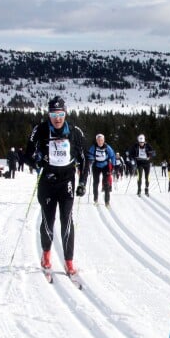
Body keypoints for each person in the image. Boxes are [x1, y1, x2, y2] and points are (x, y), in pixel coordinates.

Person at [24, 95, 89, 275]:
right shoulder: (41, 130)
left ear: (65, 114)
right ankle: (46, 254)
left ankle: (69, 261)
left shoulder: (75, 132)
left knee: (66, 220)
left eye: (60, 114)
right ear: (49, 116)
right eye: (53, 115)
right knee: (48, 220)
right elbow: (27, 154)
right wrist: (37, 162)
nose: (57, 119)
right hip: (47, 182)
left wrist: (82, 182)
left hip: (67, 181)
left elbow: (85, 160)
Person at [87, 133, 116, 207]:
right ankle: (95, 199)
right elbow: (89, 154)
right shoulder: (93, 147)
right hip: (96, 165)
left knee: (106, 183)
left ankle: (107, 201)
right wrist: (91, 159)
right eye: (99, 140)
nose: (100, 142)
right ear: (96, 140)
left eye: (101, 140)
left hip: (105, 166)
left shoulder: (107, 147)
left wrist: (113, 164)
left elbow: (112, 156)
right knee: (96, 183)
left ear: (104, 140)